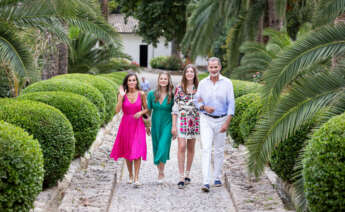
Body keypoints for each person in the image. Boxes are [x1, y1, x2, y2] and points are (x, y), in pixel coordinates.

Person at [194, 57, 235, 192]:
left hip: (222, 119)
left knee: (218, 150)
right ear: (208, 68)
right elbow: (196, 100)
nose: (213, 70)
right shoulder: (202, 83)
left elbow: (231, 104)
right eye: (211, 67)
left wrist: (227, 123)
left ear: (220, 67)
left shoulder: (227, 83)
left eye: (215, 67)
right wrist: (204, 107)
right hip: (206, 119)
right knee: (206, 148)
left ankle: (216, 176)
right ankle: (205, 181)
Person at [110, 73, 148, 188]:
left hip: (138, 124)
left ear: (137, 82)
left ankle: (136, 177)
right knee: (127, 150)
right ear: (126, 82)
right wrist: (121, 98)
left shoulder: (141, 94)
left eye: (134, 80)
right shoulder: (122, 95)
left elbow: (147, 108)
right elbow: (117, 110)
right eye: (130, 80)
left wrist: (140, 113)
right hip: (126, 124)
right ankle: (130, 175)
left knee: (137, 149)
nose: (132, 82)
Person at [171, 64, 200, 189]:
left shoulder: (199, 88)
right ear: (184, 74)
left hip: (194, 120)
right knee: (182, 146)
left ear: (194, 74)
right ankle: (181, 176)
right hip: (182, 119)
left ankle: (188, 173)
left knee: (191, 147)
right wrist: (174, 126)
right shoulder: (179, 88)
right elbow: (175, 108)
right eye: (187, 71)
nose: (189, 73)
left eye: (191, 71)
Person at [146, 72, 174, 183]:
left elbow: (175, 112)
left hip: (168, 123)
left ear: (168, 80)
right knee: (157, 146)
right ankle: (160, 172)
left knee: (163, 146)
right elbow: (148, 111)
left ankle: (161, 171)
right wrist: (147, 125)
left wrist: (175, 128)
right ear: (158, 80)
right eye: (161, 78)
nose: (163, 80)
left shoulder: (172, 95)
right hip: (156, 123)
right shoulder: (152, 94)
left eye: (165, 79)